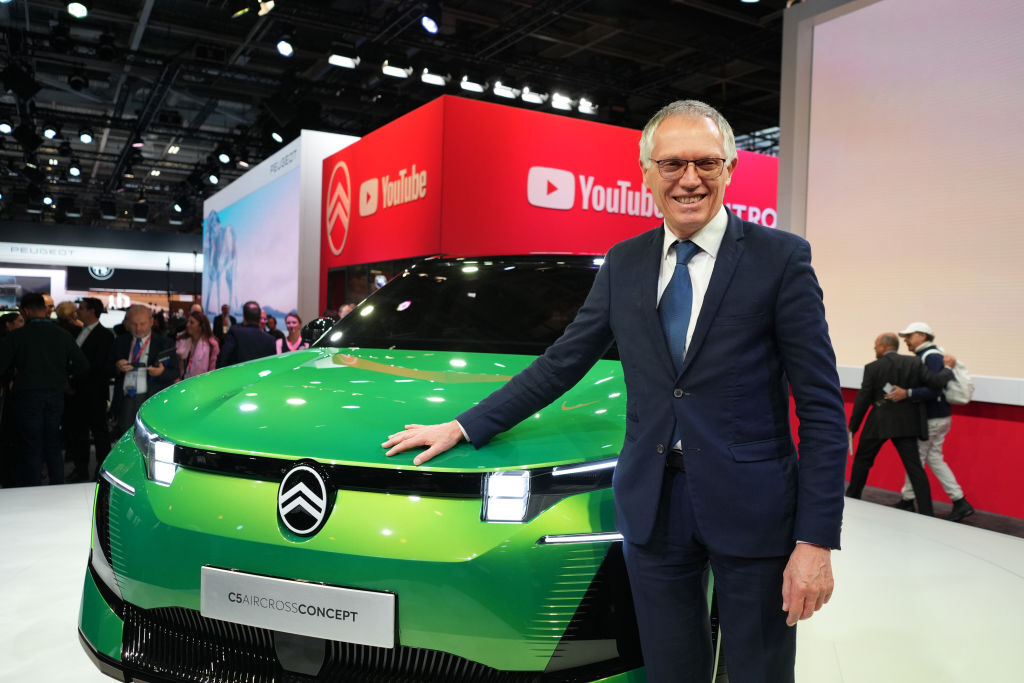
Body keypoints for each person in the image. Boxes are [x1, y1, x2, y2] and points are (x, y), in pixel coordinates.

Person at [383, 100, 849, 683]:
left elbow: (822, 409)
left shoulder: (780, 259)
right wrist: (463, 425)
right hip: (653, 508)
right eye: (672, 163)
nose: (689, 179)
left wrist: (815, 541)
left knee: (760, 671)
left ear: (729, 168)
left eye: (706, 163)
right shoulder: (625, 262)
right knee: (669, 671)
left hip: (754, 508)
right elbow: (561, 363)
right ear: (647, 172)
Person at [846, 333, 954, 515]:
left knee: (862, 462)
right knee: (915, 468)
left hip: (878, 422)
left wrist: (853, 426)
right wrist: (948, 368)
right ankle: (927, 512)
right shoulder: (914, 363)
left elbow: (863, 399)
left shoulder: (872, 367)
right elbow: (935, 383)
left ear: (883, 346)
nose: (874, 348)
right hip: (907, 423)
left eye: (875, 345)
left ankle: (852, 499)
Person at [888, 322, 975, 522]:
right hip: (939, 416)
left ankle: (908, 500)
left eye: (910, 336)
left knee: (915, 460)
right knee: (933, 458)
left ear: (922, 336)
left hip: (932, 418)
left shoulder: (930, 356)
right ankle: (959, 501)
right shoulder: (930, 355)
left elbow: (935, 388)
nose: (906, 340)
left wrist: (907, 393)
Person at [0, 292, 89, 485]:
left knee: (31, 444)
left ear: (25, 311)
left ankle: (33, 487)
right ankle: (57, 485)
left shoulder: (17, 336)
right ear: (44, 309)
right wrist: (67, 382)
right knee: (53, 443)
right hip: (56, 394)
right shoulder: (62, 334)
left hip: (27, 395)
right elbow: (82, 365)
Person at [65, 297, 115, 482]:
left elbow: (97, 365)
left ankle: (102, 471)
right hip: (76, 392)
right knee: (78, 433)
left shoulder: (105, 335)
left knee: (99, 433)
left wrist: (74, 381)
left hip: (94, 392)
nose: (77, 311)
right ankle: (80, 470)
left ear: (92, 311)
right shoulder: (77, 331)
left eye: (82, 308)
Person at [109, 304, 178, 437]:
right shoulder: (120, 341)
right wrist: (117, 367)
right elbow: (107, 368)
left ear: (151, 322)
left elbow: (175, 372)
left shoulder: (165, 343)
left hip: (152, 399)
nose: (138, 328)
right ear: (127, 323)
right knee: (125, 436)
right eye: (134, 324)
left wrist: (161, 373)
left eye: (142, 324)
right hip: (125, 398)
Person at [217, 300, 276, 367]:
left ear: (244, 317)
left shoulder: (235, 333)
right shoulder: (271, 340)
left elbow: (223, 359)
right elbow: (272, 365)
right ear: (258, 317)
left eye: (265, 319)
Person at [175, 310, 219, 381]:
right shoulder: (182, 341)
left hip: (203, 382)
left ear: (201, 326)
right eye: (188, 322)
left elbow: (212, 369)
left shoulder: (211, 345)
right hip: (182, 382)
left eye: (191, 322)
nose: (187, 325)